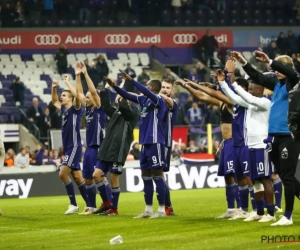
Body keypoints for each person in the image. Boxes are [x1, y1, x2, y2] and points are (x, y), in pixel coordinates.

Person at [231, 50, 300, 226]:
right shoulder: (277, 84)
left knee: (288, 175)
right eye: (275, 67)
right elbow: (257, 76)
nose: (276, 70)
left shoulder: (294, 82)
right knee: (285, 177)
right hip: (274, 137)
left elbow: (292, 73)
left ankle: (288, 216)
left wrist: (270, 60)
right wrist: (243, 62)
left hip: (289, 136)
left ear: (288, 68)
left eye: (280, 67)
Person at [108, 70, 168, 218]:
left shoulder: (158, 100)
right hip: (145, 144)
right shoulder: (144, 100)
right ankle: (148, 209)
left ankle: (161, 210)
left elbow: (141, 91)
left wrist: (132, 80)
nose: (145, 88)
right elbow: (128, 95)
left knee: (158, 175)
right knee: (145, 176)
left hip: (156, 142)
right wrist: (114, 86)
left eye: (147, 85)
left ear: (152, 88)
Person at [219, 68, 275, 222]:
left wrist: (234, 82)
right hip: (251, 145)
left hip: (262, 145)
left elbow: (246, 98)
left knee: (265, 179)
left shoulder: (265, 102)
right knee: (256, 180)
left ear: (260, 89)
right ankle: (259, 212)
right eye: (248, 89)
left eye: (251, 89)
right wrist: (223, 82)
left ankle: (271, 213)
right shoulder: (251, 103)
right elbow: (234, 97)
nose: (249, 91)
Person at [64, 62, 106, 215]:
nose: (86, 99)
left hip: (99, 148)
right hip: (89, 149)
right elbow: (78, 93)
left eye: (89, 98)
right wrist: (76, 76)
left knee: (100, 178)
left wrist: (86, 74)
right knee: (87, 179)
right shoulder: (88, 110)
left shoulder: (100, 109)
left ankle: (110, 205)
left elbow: (93, 92)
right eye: (86, 98)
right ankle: (91, 207)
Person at [92, 77, 139, 216]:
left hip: (118, 151)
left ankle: (115, 208)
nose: (119, 98)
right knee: (96, 175)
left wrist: (122, 92)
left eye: (122, 96)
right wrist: (106, 88)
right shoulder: (116, 112)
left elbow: (124, 106)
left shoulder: (133, 113)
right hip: (107, 148)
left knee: (113, 178)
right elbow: (105, 105)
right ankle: (107, 203)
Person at [51, 74, 89, 215]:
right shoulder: (64, 111)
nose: (62, 97)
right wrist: (54, 88)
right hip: (68, 148)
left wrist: (67, 83)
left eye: (65, 95)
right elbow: (54, 100)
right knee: (78, 178)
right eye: (62, 95)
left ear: (71, 99)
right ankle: (90, 205)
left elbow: (79, 96)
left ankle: (73, 204)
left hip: (74, 147)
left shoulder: (76, 109)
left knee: (62, 174)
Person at [160, 78, 179, 216]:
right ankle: (165, 205)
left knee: (159, 174)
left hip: (164, 143)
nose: (165, 90)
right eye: (162, 87)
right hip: (152, 142)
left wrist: (151, 92)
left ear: (172, 91)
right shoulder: (155, 102)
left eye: (168, 87)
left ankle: (167, 206)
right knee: (151, 175)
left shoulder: (173, 104)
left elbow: (166, 99)